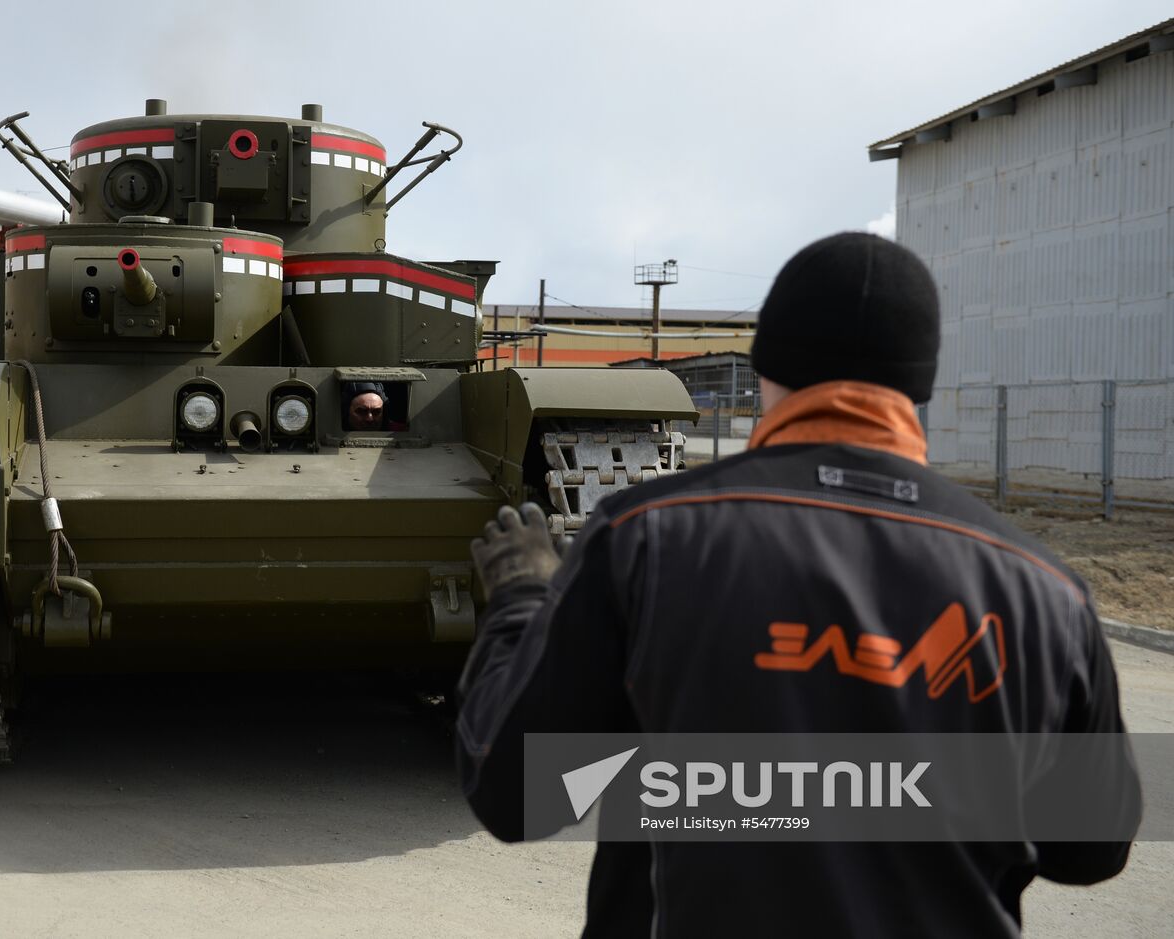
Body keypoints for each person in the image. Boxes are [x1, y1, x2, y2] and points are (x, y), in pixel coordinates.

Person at [456, 232, 1141, 937]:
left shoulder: (648, 539)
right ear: (918, 383)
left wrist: (520, 600)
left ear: (767, 366)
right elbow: (1090, 849)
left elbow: (519, 793)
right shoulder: (1046, 594)